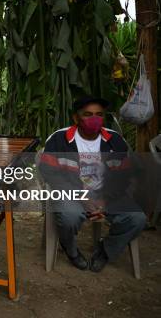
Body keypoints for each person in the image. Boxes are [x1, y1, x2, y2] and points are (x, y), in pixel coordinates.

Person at [39, 95, 147, 272]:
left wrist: (104, 200)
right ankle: (72, 252)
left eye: (99, 114)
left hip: (106, 196)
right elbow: (50, 174)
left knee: (137, 218)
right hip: (73, 194)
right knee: (69, 217)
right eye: (88, 114)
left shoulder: (115, 141)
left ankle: (105, 251)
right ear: (76, 117)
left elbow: (123, 177)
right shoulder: (59, 139)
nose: (94, 119)